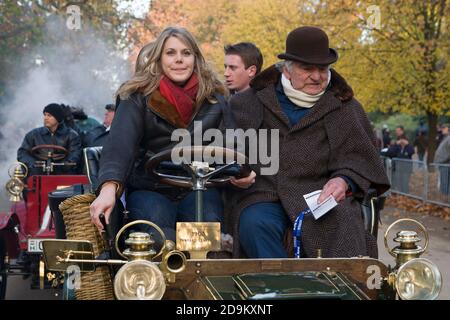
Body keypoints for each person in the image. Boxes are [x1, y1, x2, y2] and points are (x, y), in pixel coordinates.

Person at [229, 26, 390, 259]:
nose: (317, 76)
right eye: (307, 69)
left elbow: (362, 158)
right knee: (254, 223)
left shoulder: (345, 106)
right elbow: (230, 150)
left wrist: (344, 180)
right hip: (265, 193)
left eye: (323, 69)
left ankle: (341, 292)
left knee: (345, 224)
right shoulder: (249, 102)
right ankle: (279, 292)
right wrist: (238, 172)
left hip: (321, 196)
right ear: (287, 70)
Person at [89, 26, 253, 242]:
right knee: (156, 232)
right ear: (159, 58)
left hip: (200, 187)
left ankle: (206, 270)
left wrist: (241, 172)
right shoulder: (136, 97)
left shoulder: (215, 97)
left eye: (186, 53)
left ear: (195, 58)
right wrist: (109, 187)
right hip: (151, 187)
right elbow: (120, 145)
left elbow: (232, 146)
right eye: (170, 53)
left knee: (205, 230)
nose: (179, 60)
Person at [17, 103, 82, 176]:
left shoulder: (72, 135)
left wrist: (63, 165)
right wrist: (33, 164)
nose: (45, 118)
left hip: (63, 174)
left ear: (58, 118)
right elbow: (22, 152)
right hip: (37, 173)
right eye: (45, 115)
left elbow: (75, 154)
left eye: (49, 115)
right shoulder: (33, 134)